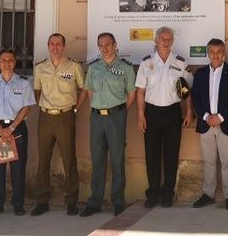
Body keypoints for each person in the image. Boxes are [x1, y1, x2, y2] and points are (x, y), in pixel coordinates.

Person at [136, 26, 194, 208]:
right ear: (156, 40)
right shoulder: (146, 64)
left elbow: (186, 90)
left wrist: (189, 111)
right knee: (152, 155)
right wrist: (140, 114)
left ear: (172, 42)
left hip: (172, 112)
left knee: (171, 154)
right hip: (151, 113)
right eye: (163, 39)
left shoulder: (180, 63)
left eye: (169, 39)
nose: (166, 42)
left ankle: (168, 193)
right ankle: (152, 193)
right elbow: (140, 92)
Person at [80, 32, 136, 217]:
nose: (104, 48)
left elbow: (131, 95)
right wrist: (99, 108)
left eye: (107, 44)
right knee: (97, 160)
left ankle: (118, 201)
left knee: (117, 159)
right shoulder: (94, 67)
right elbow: (89, 91)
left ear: (115, 45)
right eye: (101, 45)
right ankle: (95, 201)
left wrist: (118, 111)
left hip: (116, 117)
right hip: (96, 118)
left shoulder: (125, 68)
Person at [31, 34, 86, 217]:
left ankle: (71, 201)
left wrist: (75, 109)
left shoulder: (74, 66)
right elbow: (37, 91)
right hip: (45, 118)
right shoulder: (40, 68)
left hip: (65, 116)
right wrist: (46, 107)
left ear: (63, 46)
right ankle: (42, 201)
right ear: (48, 46)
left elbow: (84, 89)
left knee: (69, 159)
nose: (55, 47)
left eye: (58, 44)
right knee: (43, 160)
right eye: (52, 44)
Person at [0, 50, 36, 217]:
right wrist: (0, 129)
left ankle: (18, 204)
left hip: (16, 129)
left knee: (18, 169)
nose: (7, 62)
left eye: (10, 59)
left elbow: (26, 108)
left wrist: (10, 129)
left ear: (15, 62)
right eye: (3, 60)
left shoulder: (23, 83)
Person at [190, 38, 228, 211]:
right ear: (208, 53)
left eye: (218, 51)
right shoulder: (201, 74)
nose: (215, 55)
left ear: (224, 53)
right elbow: (195, 98)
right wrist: (205, 116)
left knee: (227, 161)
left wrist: (220, 117)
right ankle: (208, 194)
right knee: (209, 161)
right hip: (206, 124)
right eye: (212, 52)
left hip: (225, 124)